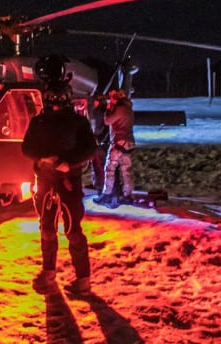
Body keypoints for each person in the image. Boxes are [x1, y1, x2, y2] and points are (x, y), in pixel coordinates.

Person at [22, 79, 98, 297]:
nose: (55, 102)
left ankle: (83, 279)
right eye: (51, 98)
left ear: (67, 97)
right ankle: (48, 271)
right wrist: (41, 158)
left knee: (73, 230)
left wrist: (69, 162)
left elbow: (90, 148)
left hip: (68, 182)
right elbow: (26, 147)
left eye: (59, 97)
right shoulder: (38, 122)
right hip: (45, 180)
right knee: (46, 227)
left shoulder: (78, 122)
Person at [96, 89, 136, 206]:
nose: (110, 99)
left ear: (116, 97)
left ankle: (106, 193)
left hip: (119, 142)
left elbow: (108, 121)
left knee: (110, 169)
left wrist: (107, 110)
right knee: (126, 170)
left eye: (112, 97)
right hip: (128, 142)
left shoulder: (120, 108)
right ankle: (128, 195)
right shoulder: (128, 108)